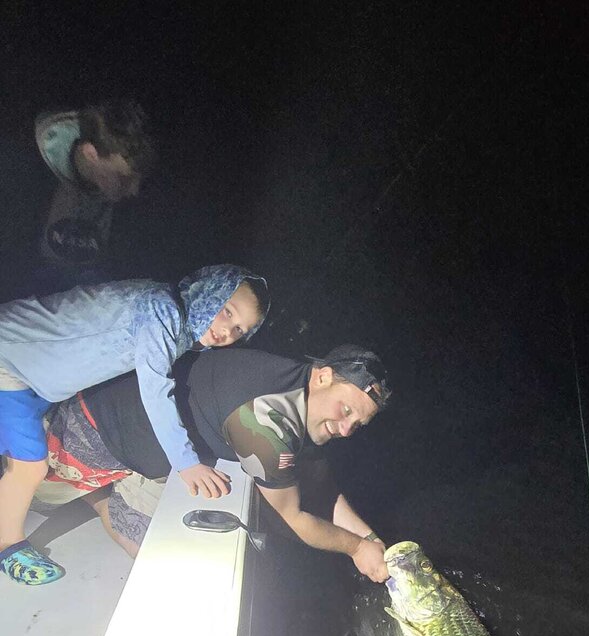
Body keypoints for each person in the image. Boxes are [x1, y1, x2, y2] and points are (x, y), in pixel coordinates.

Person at [0, 264, 270, 585]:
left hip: (34, 379)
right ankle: (7, 544)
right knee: (30, 466)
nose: (227, 331)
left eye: (239, 330)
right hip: (10, 359)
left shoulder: (179, 328)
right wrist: (186, 463)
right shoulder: (161, 311)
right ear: (209, 290)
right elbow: (156, 392)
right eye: (227, 312)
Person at [38, 345, 391, 582]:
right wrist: (356, 548)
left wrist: (371, 539)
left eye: (357, 423)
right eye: (346, 410)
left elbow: (320, 483)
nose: (346, 429)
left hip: (161, 446)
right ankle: (97, 495)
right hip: (96, 429)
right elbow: (291, 518)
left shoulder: (305, 393)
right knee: (124, 535)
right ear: (323, 376)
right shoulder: (268, 420)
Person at [35, 100, 156, 290]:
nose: (134, 191)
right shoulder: (28, 175)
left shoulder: (129, 203)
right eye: (124, 178)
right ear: (90, 154)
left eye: (140, 180)